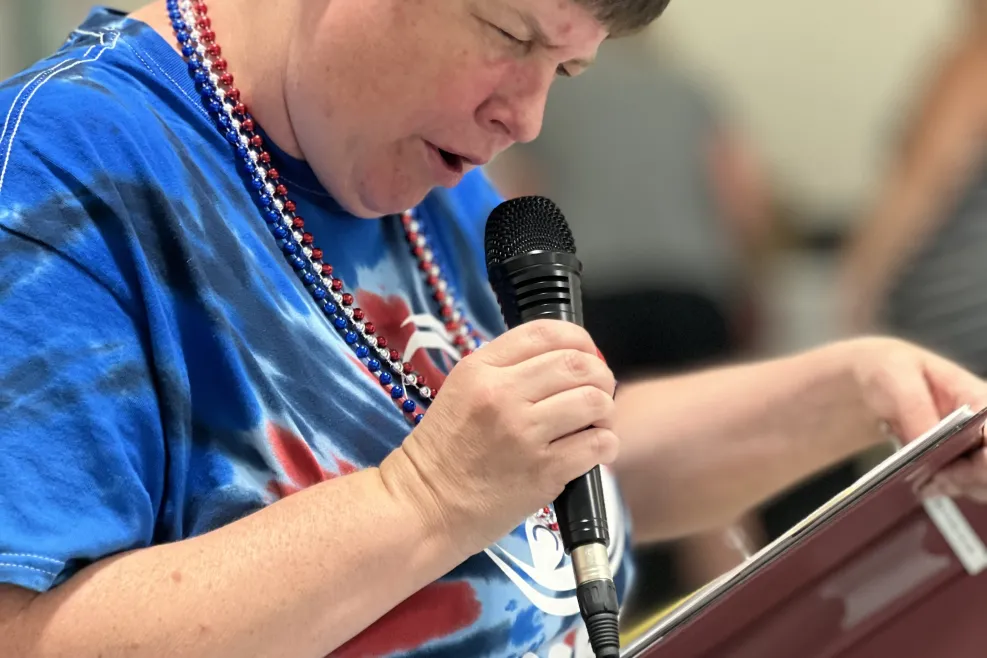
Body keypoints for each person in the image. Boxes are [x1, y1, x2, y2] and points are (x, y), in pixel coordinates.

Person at [0, 2, 986, 658]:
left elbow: (557, 473)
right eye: (512, 34)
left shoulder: (430, 179)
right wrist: (425, 497)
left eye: (567, 68)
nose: (525, 116)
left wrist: (854, 392)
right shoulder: (66, 169)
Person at [485, 32, 774, 620]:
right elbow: (744, 197)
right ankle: (744, 621)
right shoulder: (688, 89)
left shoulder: (552, 93)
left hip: (592, 293)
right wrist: (754, 288)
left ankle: (589, 624)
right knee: (711, 469)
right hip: (690, 293)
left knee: (586, 469)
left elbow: (520, 198)